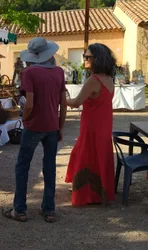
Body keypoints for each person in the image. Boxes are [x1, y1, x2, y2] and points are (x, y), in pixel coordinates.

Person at [2, 37, 67, 223]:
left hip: (34, 127)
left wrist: (25, 119)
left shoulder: (29, 73)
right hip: (52, 127)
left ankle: (20, 210)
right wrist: (60, 127)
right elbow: (63, 103)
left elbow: (28, 103)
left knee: (23, 166)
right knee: (50, 167)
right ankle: (49, 210)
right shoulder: (59, 72)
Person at [65, 43, 116, 206]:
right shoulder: (109, 78)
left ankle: (86, 193)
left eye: (88, 57)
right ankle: (99, 191)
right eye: (84, 56)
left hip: (92, 125)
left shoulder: (92, 80)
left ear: (97, 59)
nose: (85, 59)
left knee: (87, 155)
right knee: (97, 154)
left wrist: (60, 99)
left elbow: (75, 102)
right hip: (103, 125)